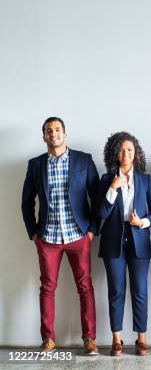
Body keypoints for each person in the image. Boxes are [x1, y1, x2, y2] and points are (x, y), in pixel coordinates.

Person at [21, 116, 100, 355]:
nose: (53, 133)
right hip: (48, 238)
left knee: (85, 287)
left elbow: (96, 198)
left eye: (57, 130)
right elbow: (26, 202)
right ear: (44, 136)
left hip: (78, 235)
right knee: (47, 287)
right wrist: (34, 232)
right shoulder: (36, 164)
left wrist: (92, 230)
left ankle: (89, 339)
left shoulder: (83, 160)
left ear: (65, 134)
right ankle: (48, 338)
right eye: (48, 130)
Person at [97, 132, 151, 356]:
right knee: (116, 290)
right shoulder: (106, 180)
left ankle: (141, 339)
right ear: (115, 152)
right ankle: (117, 339)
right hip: (113, 238)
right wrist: (113, 188)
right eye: (122, 150)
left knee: (140, 290)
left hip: (139, 238)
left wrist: (142, 222)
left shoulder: (145, 180)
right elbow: (101, 212)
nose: (126, 154)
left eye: (130, 150)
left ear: (136, 154)